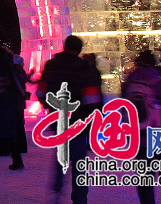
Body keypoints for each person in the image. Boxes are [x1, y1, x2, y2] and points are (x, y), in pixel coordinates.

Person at [36, 35, 102, 204]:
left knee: (60, 155)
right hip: (79, 122)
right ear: (79, 49)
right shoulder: (84, 69)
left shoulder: (51, 65)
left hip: (58, 120)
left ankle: (56, 192)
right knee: (79, 162)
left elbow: (41, 92)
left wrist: (50, 107)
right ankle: (80, 197)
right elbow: (91, 99)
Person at [123, 50, 161, 204]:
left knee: (145, 179)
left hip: (139, 135)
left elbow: (124, 111)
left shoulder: (128, 84)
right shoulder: (160, 82)